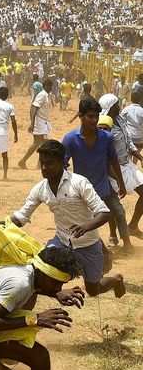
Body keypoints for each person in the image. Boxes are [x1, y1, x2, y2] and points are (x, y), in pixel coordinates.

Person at [0, 139, 125, 297]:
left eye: (50, 163)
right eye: (42, 163)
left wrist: (86, 226)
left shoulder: (79, 183)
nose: (45, 168)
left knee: (93, 290)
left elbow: (105, 213)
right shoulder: (40, 189)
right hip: (61, 241)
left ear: (62, 162)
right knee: (39, 272)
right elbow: (20, 218)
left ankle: (115, 281)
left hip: (88, 244)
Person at [63, 97, 132, 253]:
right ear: (80, 116)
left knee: (119, 212)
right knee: (86, 223)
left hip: (104, 187)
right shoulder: (70, 139)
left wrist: (121, 184)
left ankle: (126, 243)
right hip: (83, 191)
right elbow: (62, 163)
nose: (94, 120)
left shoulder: (106, 138)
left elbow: (113, 162)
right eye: (90, 116)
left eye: (96, 116)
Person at [99, 93, 143, 240]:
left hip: (127, 165)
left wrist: (139, 156)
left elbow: (128, 141)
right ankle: (113, 234)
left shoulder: (120, 119)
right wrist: (116, 178)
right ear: (110, 108)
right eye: (116, 105)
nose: (119, 107)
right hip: (113, 169)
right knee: (113, 204)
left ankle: (133, 226)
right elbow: (104, 153)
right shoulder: (104, 126)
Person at [18, 78, 53, 170]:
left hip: (44, 122)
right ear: (45, 86)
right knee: (38, 143)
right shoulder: (41, 95)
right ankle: (23, 161)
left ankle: (38, 164)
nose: (50, 88)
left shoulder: (47, 95)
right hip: (39, 122)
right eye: (49, 86)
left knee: (43, 144)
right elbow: (33, 108)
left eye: (51, 86)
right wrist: (32, 123)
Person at [121, 88, 143, 161]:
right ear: (140, 100)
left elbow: (120, 120)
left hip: (129, 138)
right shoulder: (142, 111)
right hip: (139, 139)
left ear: (131, 99)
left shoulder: (126, 109)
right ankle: (135, 166)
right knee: (136, 158)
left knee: (128, 157)